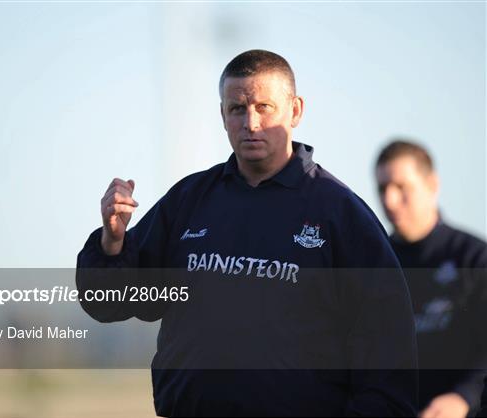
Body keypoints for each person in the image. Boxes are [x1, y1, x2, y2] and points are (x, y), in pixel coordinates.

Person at [77, 50, 418, 417]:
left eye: (264, 107)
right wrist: (112, 242)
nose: (251, 123)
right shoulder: (189, 200)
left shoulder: (340, 214)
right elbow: (110, 302)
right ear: (222, 115)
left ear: (296, 110)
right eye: (237, 109)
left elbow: (388, 352)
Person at [375, 140, 487, 418]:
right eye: (382, 188)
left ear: (432, 185)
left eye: (401, 187)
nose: (389, 200)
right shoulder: (375, 264)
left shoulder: (474, 259)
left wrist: (464, 397)